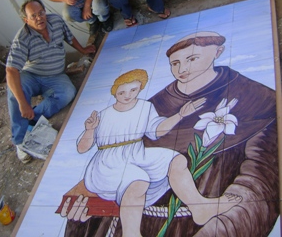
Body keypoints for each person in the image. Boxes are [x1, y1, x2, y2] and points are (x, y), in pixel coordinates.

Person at [62, 31, 279, 237]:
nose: (183, 68)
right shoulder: (153, 105)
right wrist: (83, 215)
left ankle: (200, 206)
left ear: (218, 52)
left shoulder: (257, 100)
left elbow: (257, 190)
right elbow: (112, 166)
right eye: (175, 63)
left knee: (173, 162)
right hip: (133, 216)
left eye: (192, 58)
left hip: (198, 228)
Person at [71, 70, 241, 237]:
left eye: (133, 90)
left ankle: (199, 207)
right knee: (138, 180)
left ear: (140, 88)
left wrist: (180, 115)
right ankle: (131, 233)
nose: (128, 95)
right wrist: (89, 130)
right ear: (114, 92)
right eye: (122, 92)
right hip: (107, 163)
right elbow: (82, 148)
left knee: (176, 160)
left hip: (136, 154)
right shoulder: (103, 115)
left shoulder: (145, 107)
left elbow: (157, 131)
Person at [6, 0, 96, 164]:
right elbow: (11, 71)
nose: (39, 18)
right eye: (33, 16)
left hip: (55, 75)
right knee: (16, 89)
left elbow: (69, 37)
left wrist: (83, 49)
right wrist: (22, 103)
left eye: (41, 13)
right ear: (26, 20)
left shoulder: (55, 21)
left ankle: (33, 119)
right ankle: (19, 141)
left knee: (68, 92)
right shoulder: (22, 38)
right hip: (32, 75)